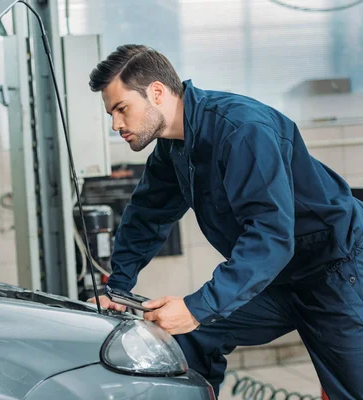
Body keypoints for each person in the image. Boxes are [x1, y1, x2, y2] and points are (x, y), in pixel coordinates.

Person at [86, 44, 363, 399]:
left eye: (121, 109)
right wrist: (118, 290)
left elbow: (271, 237)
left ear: (156, 91)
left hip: (335, 272)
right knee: (185, 335)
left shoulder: (241, 130)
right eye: (111, 114)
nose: (116, 125)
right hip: (276, 278)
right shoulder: (172, 149)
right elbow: (146, 216)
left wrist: (197, 307)